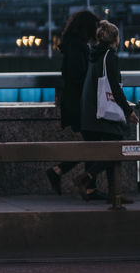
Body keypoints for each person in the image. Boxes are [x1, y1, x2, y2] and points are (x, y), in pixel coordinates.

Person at [78, 19, 139, 203]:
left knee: (112, 147)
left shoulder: (94, 54)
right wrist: (128, 111)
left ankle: (114, 193)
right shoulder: (110, 56)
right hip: (103, 111)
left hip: (91, 109)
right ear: (115, 38)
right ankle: (87, 177)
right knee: (116, 147)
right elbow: (114, 87)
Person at [45, 10, 100, 195]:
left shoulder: (71, 45)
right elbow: (80, 76)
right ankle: (88, 187)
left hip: (74, 102)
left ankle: (59, 172)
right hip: (81, 104)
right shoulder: (79, 47)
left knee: (92, 143)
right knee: (95, 144)